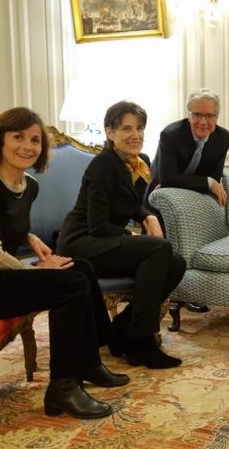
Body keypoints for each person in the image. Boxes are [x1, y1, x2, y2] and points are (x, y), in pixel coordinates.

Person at [0, 107, 128, 419]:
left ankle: (88, 363)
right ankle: (63, 386)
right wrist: (34, 269)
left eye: (35, 140)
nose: (27, 146)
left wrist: (29, 237)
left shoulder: (29, 185)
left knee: (81, 267)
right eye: (18, 137)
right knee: (69, 283)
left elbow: (2, 222)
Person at [57, 101, 186, 370]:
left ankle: (123, 328)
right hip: (83, 241)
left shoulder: (139, 163)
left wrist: (146, 216)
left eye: (139, 128)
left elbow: (132, 201)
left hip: (106, 239)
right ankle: (141, 343)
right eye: (126, 128)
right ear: (109, 132)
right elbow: (97, 224)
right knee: (159, 249)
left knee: (176, 262)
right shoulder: (102, 166)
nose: (135, 134)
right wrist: (133, 235)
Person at [147, 88, 229, 314]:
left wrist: (208, 183)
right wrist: (208, 183)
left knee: (197, 238)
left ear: (217, 117)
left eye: (210, 116)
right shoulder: (171, 134)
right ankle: (162, 295)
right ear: (188, 114)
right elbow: (167, 179)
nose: (203, 121)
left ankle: (190, 292)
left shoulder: (223, 137)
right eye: (197, 115)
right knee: (166, 250)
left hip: (192, 195)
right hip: (158, 199)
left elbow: (214, 176)